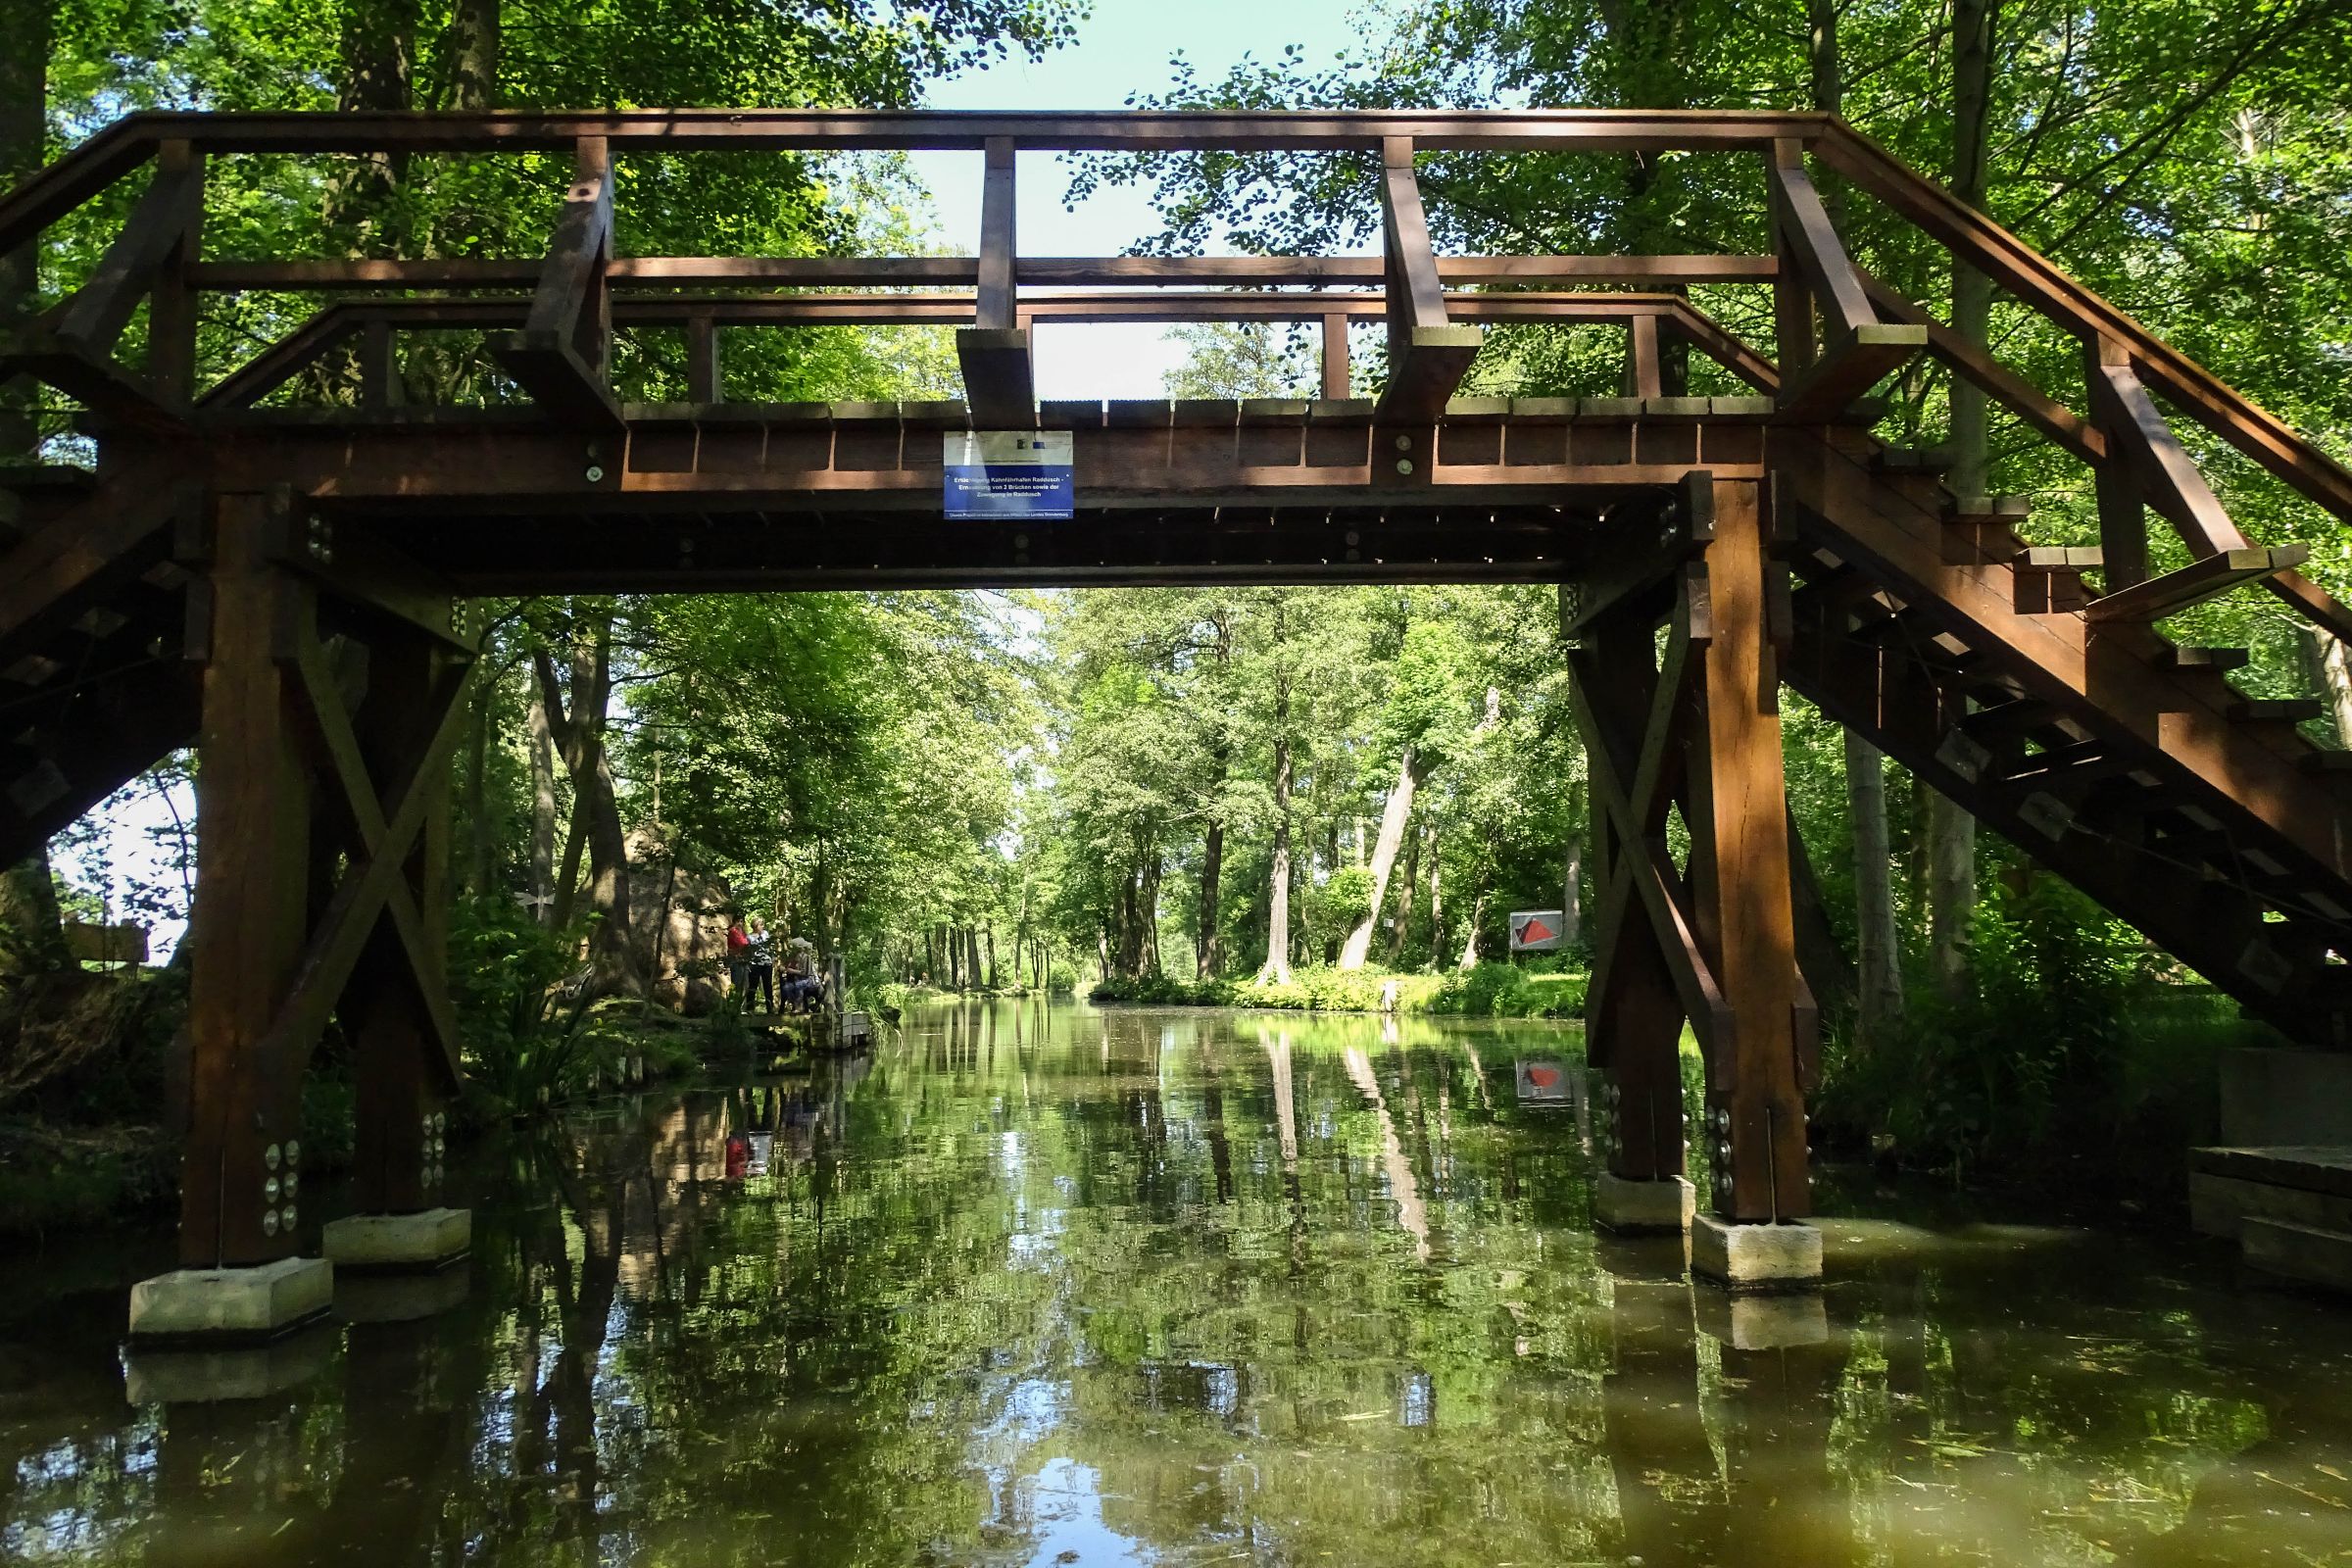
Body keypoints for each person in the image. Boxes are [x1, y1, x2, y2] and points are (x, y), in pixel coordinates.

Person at [745, 916, 776, 1012]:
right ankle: (750, 1008)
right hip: (755, 964)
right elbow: (748, 952)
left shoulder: (766, 934)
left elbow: (770, 947)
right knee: (753, 985)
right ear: (755, 926)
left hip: (767, 963)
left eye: (763, 925)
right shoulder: (749, 937)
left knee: (768, 985)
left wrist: (773, 958)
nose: (763, 926)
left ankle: (770, 1007)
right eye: (761, 925)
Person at [725, 916, 751, 998]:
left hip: (744, 960)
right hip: (735, 959)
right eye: (738, 921)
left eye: (741, 921)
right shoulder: (733, 931)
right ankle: (733, 1002)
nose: (740, 923)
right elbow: (742, 943)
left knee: (745, 984)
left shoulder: (743, 932)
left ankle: (741, 1003)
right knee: (736, 983)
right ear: (734, 922)